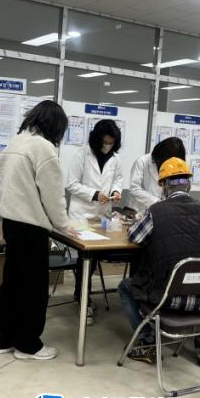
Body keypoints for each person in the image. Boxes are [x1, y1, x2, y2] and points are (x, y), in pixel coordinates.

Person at [0, 101, 74, 361]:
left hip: (10, 222)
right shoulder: (43, 148)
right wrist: (65, 226)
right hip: (31, 226)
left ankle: (3, 339)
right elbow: (53, 196)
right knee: (33, 288)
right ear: (55, 126)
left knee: (12, 283)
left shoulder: (15, 142)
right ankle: (28, 345)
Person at [118, 158, 200, 367]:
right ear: (188, 184)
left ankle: (147, 342)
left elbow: (135, 236)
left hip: (167, 299)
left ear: (163, 185)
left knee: (126, 287)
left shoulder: (156, 211)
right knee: (199, 282)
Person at [66, 119, 123, 324]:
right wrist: (94, 194)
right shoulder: (82, 154)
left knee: (95, 257)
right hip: (81, 215)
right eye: (105, 142)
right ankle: (84, 301)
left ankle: (81, 295)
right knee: (86, 260)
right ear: (97, 139)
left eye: (111, 143)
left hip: (102, 215)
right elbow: (71, 184)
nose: (107, 146)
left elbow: (118, 179)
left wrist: (116, 191)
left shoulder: (115, 158)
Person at [127, 137, 186, 214]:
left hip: (163, 211)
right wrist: (157, 201)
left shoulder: (173, 166)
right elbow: (134, 189)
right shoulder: (142, 162)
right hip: (139, 211)